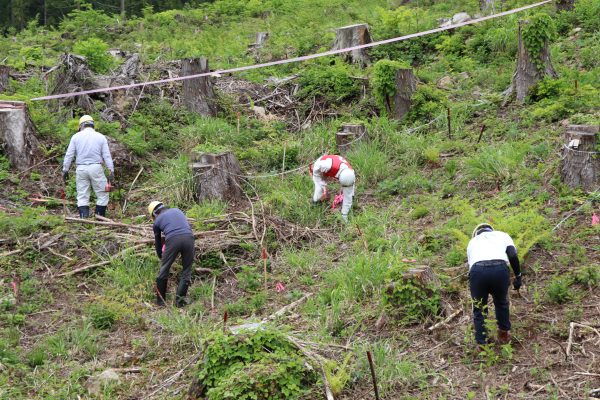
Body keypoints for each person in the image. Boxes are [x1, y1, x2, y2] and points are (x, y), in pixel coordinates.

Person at [467, 223, 522, 347]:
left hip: (477, 271)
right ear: (491, 230)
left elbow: (470, 267)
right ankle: (503, 334)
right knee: (501, 302)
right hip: (500, 269)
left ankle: (482, 344)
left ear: (476, 233)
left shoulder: (472, 241)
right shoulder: (502, 235)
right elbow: (512, 254)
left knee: (479, 308)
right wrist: (518, 276)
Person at [62, 115, 114, 218]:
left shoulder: (76, 137)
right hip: (96, 168)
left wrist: (65, 170)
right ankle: (100, 219)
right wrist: (111, 170)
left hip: (81, 169)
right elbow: (107, 155)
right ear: (92, 125)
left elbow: (69, 155)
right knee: (102, 194)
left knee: (82, 196)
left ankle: (84, 220)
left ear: (81, 125)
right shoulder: (100, 136)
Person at [148, 201, 195, 307]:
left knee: (164, 270)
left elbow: (158, 241)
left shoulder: (156, 222)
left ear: (154, 214)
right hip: (189, 237)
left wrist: (161, 256)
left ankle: (161, 302)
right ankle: (180, 302)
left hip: (173, 239)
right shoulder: (177, 210)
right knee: (187, 270)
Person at [310, 154, 355, 222]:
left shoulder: (351, 176)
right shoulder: (325, 165)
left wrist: (344, 216)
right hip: (321, 166)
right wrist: (323, 185)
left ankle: (344, 214)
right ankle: (315, 203)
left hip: (336, 170)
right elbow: (316, 167)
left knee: (350, 195)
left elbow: (348, 198)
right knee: (319, 189)